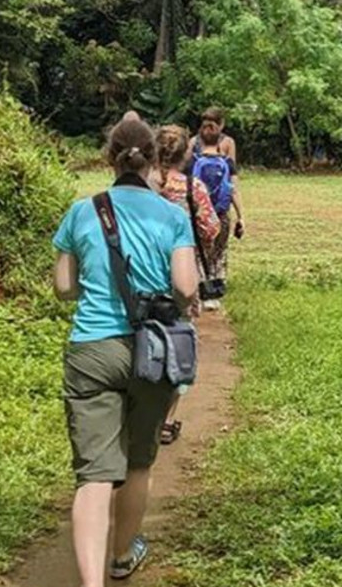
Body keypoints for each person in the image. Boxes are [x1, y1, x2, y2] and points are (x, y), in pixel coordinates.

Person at [51, 111, 198, 586]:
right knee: (138, 462)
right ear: (153, 159)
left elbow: (63, 287)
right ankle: (121, 556)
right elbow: (185, 287)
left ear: (108, 159)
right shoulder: (172, 215)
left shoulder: (81, 211)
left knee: (94, 476)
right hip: (152, 351)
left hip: (92, 350)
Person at [151, 124, 218, 446]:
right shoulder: (193, 187)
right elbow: (210, 229)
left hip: (141, 275)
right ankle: (165, 421)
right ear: (186, 154)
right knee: (178, 345)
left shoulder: (145, 187)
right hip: (182, 275)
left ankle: (141, 413)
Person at [181, 106, 243, 309]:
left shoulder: (193, 145)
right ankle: (215, 292)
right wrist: (241, 216)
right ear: (221, 125)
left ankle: (198, 291)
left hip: (198, 210)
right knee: (219, 252)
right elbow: (232, 186)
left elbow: (186, 178)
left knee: (198, 252)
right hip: (221, 210)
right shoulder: (228, 147)